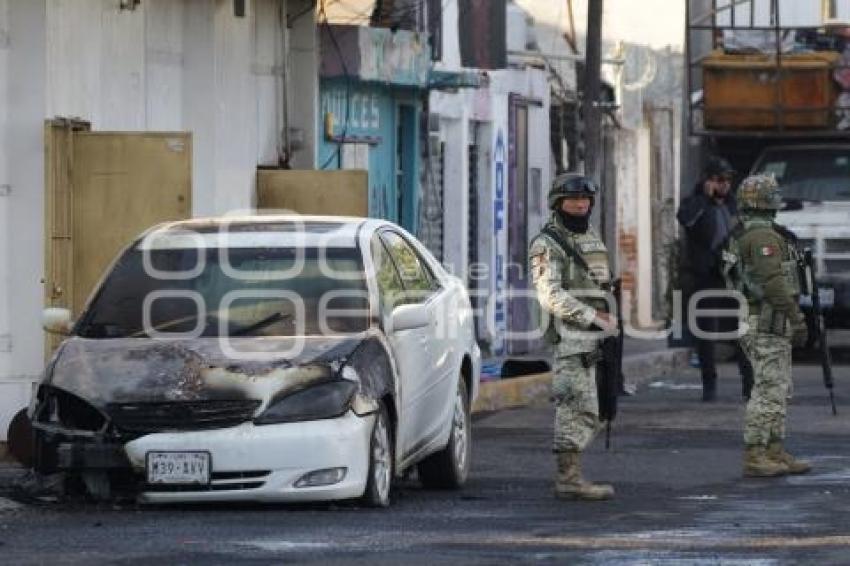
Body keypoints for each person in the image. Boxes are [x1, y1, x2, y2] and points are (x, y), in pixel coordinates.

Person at [528, 173, 617, 501]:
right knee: (576, 406)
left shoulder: (590, 236)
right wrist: (593, 316)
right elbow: (549, 295)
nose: (580, 204)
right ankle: (568, 477)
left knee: (599, 406)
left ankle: (572, 474)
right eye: (572, 199)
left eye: (585, 199)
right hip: (571, 337)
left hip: (597, 336)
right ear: (557, 203)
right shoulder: (545, 244)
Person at [723, 174, 811, 477]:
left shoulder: (747, 233)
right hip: (765, 321)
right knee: (768, 389)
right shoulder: (762, 238)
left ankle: (774, 450)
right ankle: (756, 453)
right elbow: (772, 283)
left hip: (765, 321)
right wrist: (797, 318)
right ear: (772, 202)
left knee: (778, 388)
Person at [677, 156, 754, 402]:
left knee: (742, 333)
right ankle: (709, 385)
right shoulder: (695, 204)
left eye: (727, 180)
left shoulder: (733, 206)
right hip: (705, 276)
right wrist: (704, 196)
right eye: (719, 179)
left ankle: (749, 386)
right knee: (706, 334)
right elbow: (686, 220)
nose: (724, 185)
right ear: (708, 180)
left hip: (732, 277)